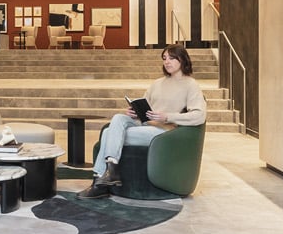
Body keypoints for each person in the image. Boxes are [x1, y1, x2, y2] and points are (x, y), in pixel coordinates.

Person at [81, 43, 206, 198]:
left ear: (183, 59)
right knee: (118, 118)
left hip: (163, 133)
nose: (167, 61)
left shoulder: (191, 85)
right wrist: (135, 112)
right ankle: (110, 173)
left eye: (172, 58)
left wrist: (167, 116)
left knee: (108, 133)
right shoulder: (157, 83)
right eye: (164, 58)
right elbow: (145, 106)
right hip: (145, 125)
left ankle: (99, 182)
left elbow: (199, 115)